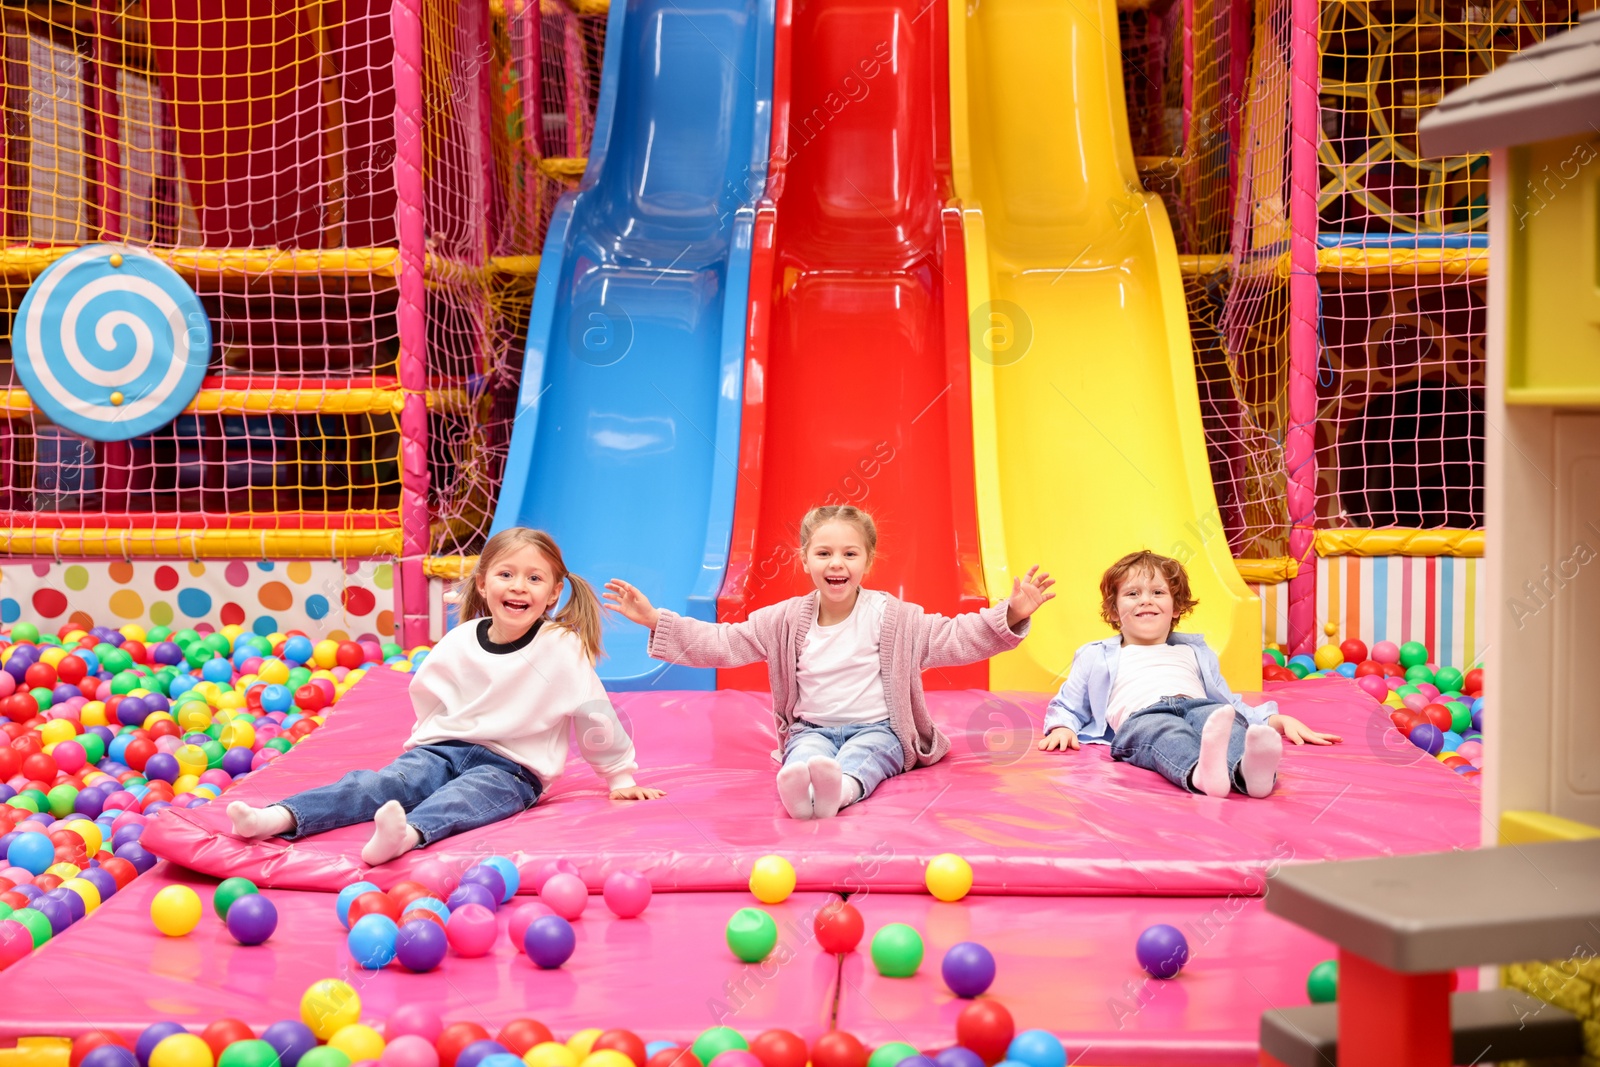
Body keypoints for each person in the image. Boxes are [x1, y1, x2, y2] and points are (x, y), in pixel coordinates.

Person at [227, 527, 664, 864]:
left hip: (513, 770)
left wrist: (619, 776)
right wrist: (428, 742)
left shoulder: (560, 646)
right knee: (378, 784)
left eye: (534, 578)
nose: (518, 586)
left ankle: (406, 836)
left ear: (552, 593)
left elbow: (594, 713)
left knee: (465, 800)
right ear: (482, 584)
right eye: (506, 574)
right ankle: (279, 817)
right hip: (443, 749)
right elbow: (429, 692)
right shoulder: (462, 638)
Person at [604, 504, 1053, 818]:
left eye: (849, 553)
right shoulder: (783, 620)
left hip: (880, 728)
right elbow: (725, 643)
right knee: (805, 757)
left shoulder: (894, 618)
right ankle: (803, 792)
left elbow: (956, 637)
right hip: (811, 728)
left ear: (868, 561)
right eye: (824, 553)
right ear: (805, 560)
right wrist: (654, 620)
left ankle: (839, 791)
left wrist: (1011, 614)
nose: (836, 563)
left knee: (867, 757)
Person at [1038, 549, 1340, 797]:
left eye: (1158, 592)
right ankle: (1200, 773)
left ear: (1177, 608)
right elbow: (1068, 703)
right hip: (1142, 716)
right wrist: (1062, 727)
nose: (1146, 599)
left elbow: (1226, 700)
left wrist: (1276, 720)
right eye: (1132, 593)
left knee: (1227, 723)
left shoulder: (1194, 651)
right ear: (1115, 612)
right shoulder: (1096, 654)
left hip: (1197, 705)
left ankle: (1250, 774)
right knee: (1168, 734)